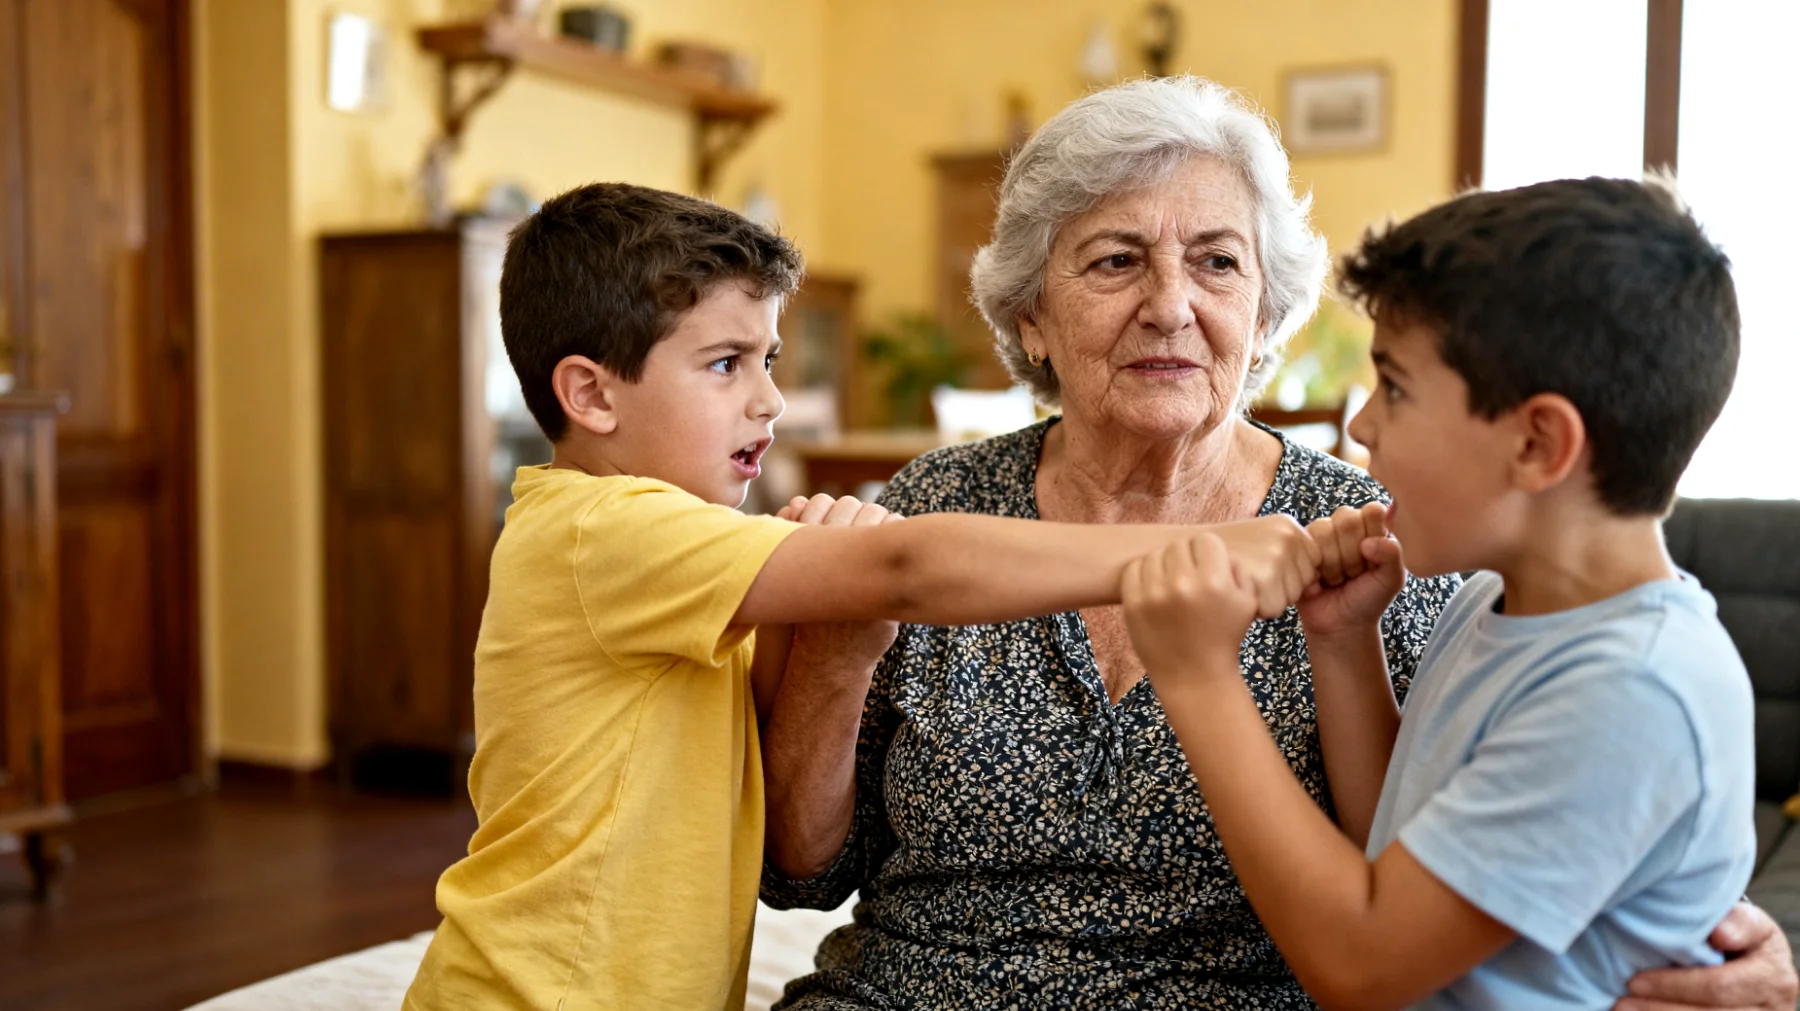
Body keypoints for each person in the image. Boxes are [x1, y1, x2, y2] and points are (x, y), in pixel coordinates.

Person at [759, 76, 1798, 1010]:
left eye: (1216, 263)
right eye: (1116, 262)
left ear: (1265, 317)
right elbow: (801, 875)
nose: (1171, 305)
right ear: (1031, 315)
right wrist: (835, 665)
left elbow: (1412, 884)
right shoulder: (932, 512)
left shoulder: (1385, 539)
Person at [398, 182, 1317, 1011]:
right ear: (590, 396)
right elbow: (908, 571)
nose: (770, 400)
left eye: (769, 358)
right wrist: (1195, 553)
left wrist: (826, 590)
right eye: (725, 363)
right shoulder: (601, 531)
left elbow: (766, 718)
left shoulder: (687, 557)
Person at [1123, 176, 1758, 1009]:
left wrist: (1199, 676)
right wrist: (1346, 645)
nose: (1363, 426)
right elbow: (1398, 847)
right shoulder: (1500, 599)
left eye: (1396, 387)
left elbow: (1361, 965)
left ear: (1536, 444)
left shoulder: (1630, 686)